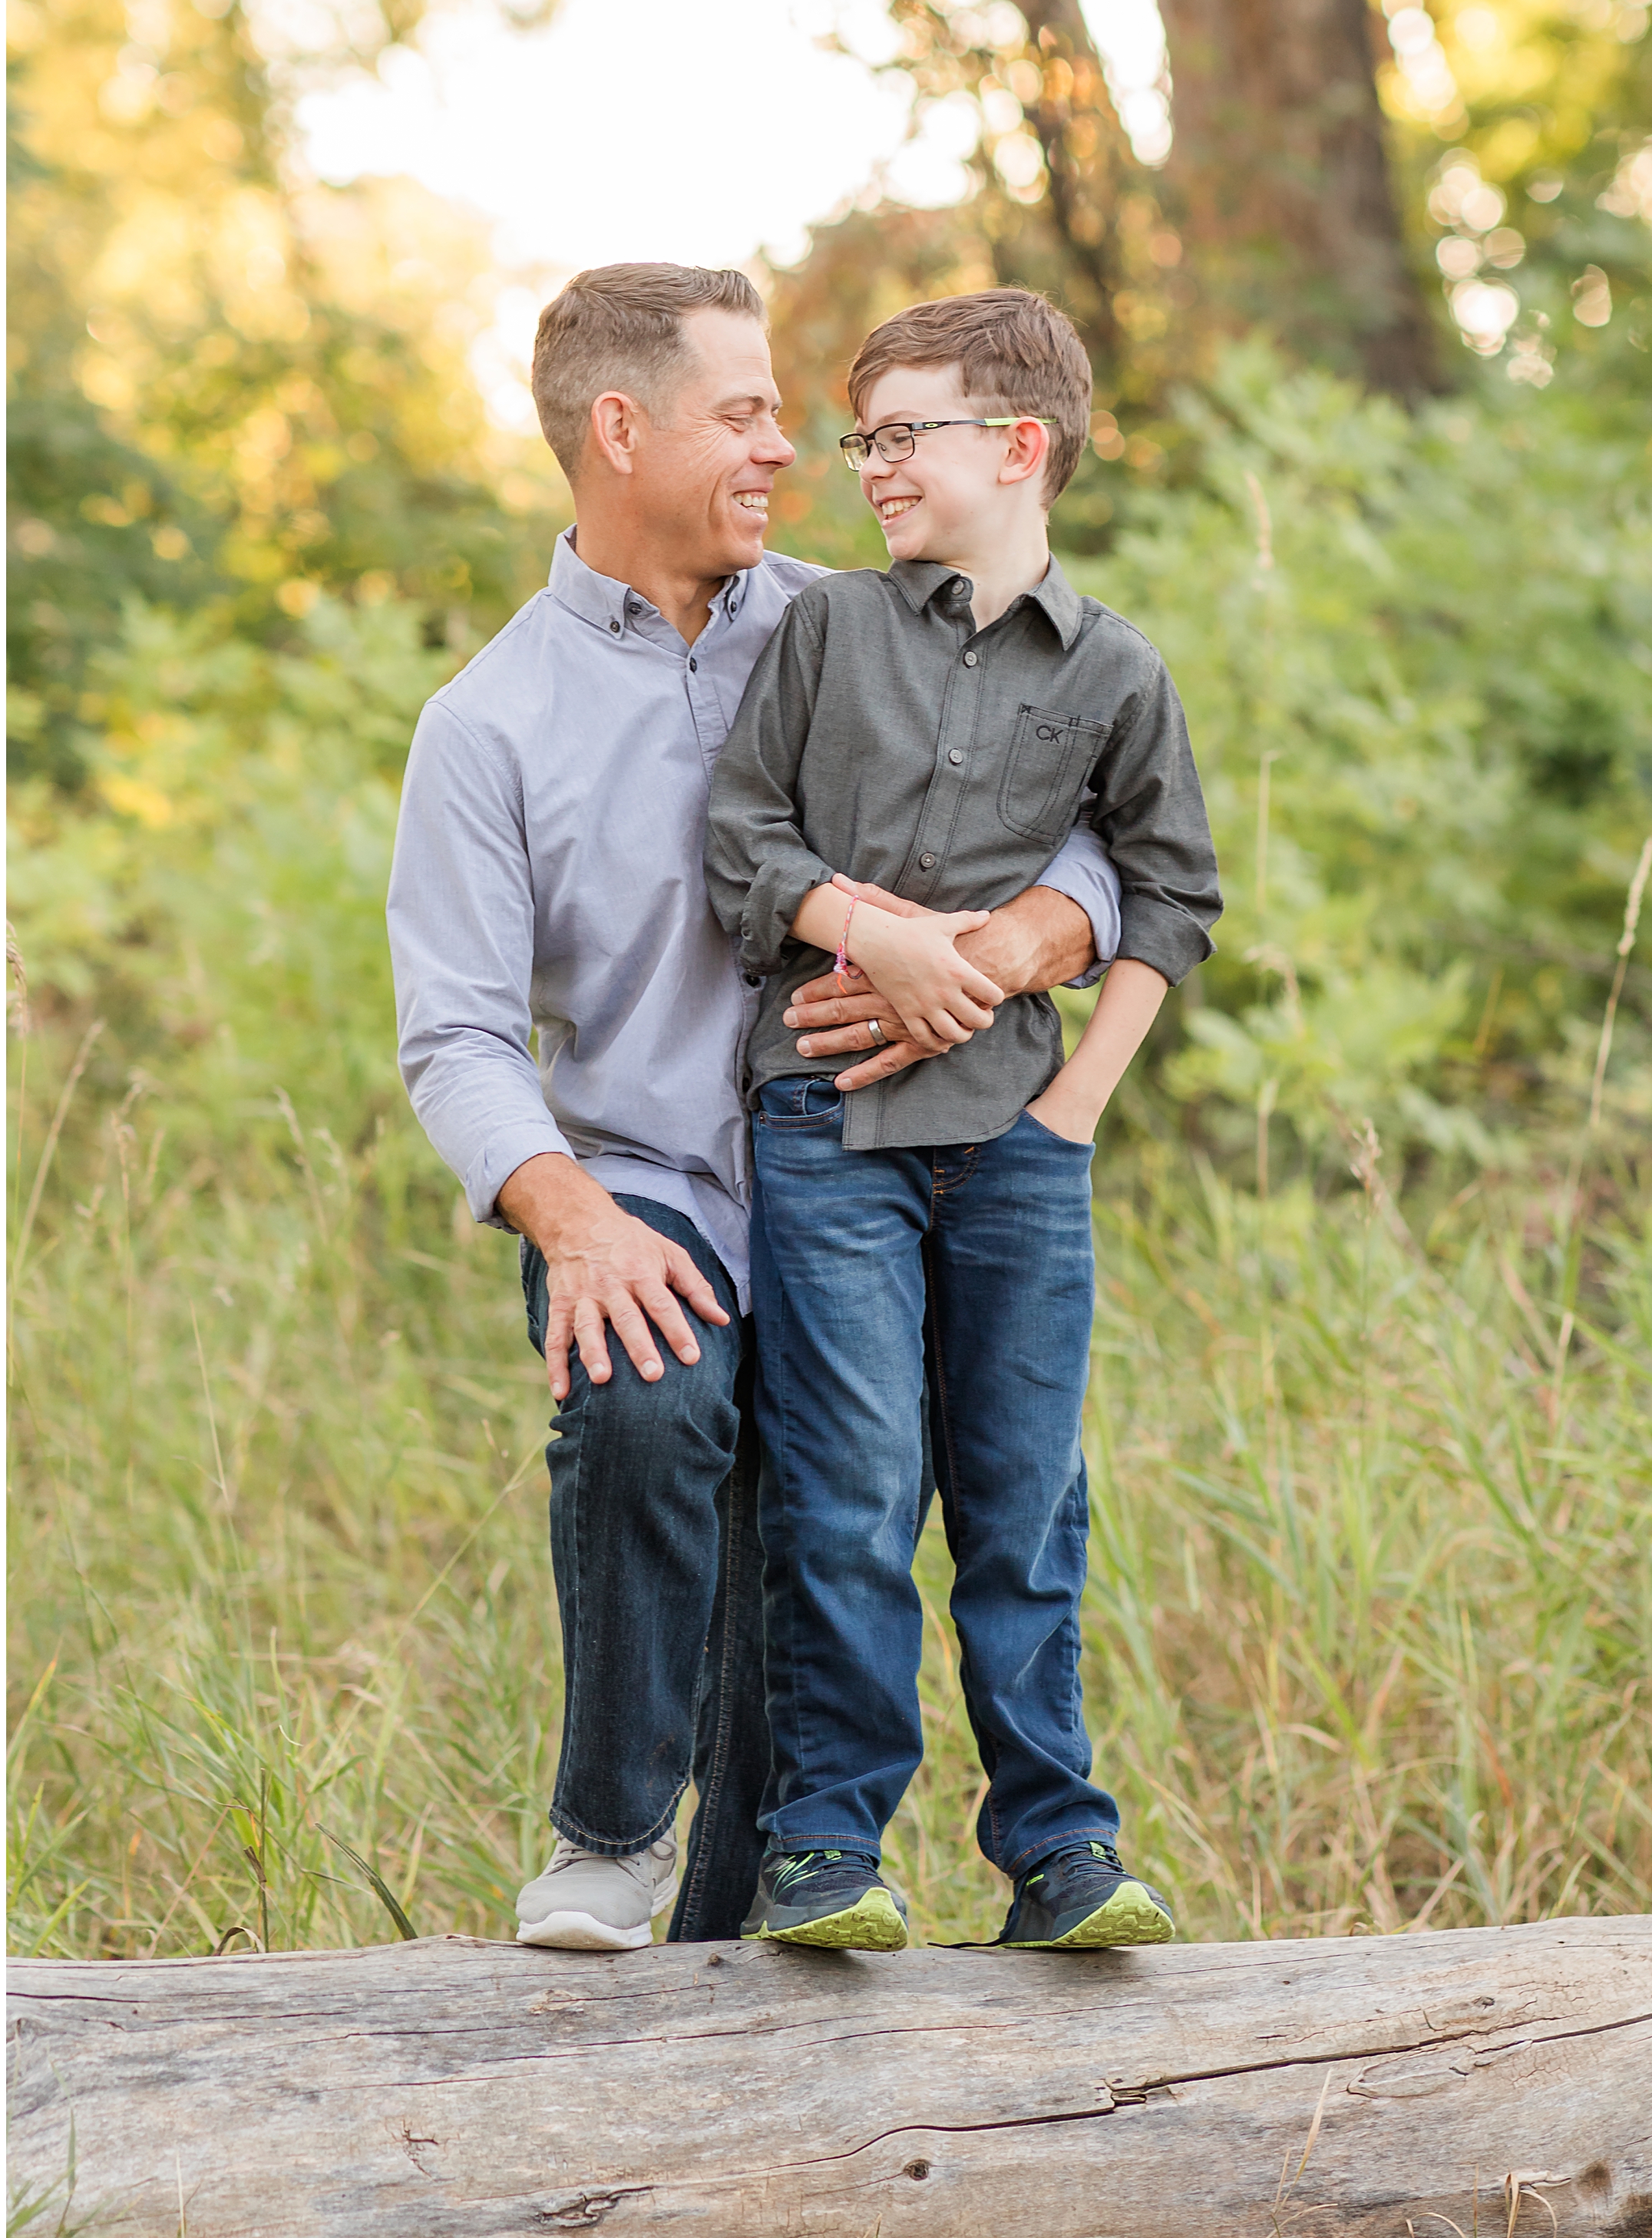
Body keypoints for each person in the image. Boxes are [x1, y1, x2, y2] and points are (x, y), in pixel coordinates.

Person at [386, 264, 1122, 1951]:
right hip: (648, 1177)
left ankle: (733, 1962)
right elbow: (455, 1036)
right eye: (742, 413)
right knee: (649, 1394)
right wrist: (568, 1218)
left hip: (870, 1173)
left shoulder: (856, 623)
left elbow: (1089, 797)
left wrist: (1023, 937)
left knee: (827, 1538)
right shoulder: (487, 724)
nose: (784, 451)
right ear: (617, 428)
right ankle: (607, 1838)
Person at [704, 287, 1220, 1954]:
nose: (869, 464)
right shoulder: (824, 633)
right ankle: (825, 1844)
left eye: (899, 432)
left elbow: (1170, 895)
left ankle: (1058, 1848)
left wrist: (1074, 1104)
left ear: (1021, 447)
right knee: (847, 1488)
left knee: (1020, 1496)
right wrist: (877, 928)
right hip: (823, 1127)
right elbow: (740, 848)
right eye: (860, 436)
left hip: (1017, 1151)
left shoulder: (1117, 670)